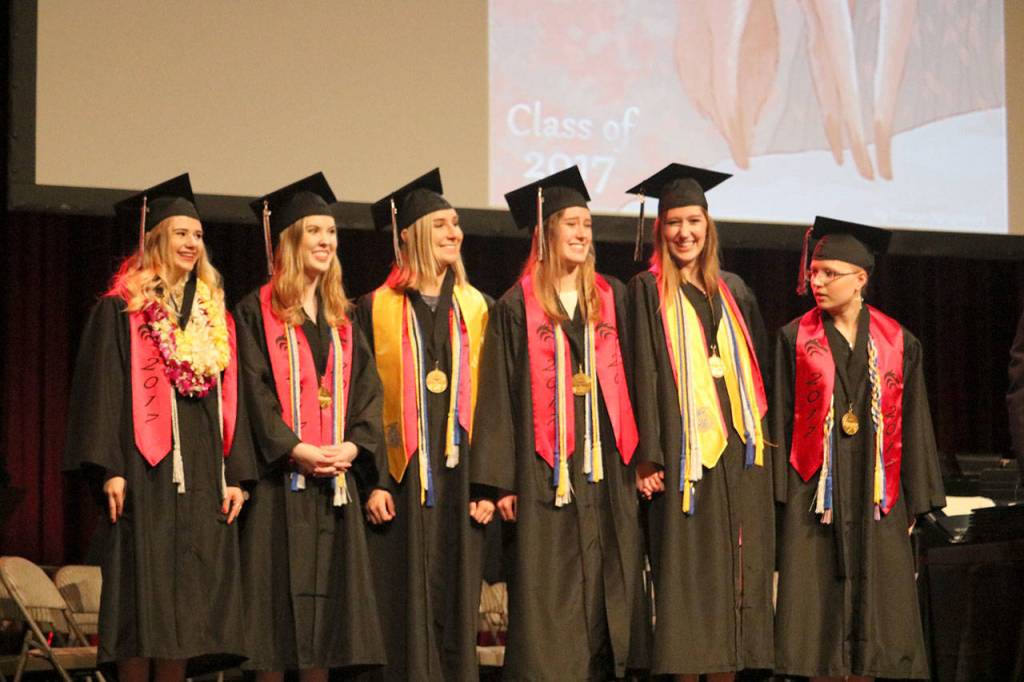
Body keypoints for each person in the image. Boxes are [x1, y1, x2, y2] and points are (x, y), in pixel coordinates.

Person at [63, 174, 255, 681]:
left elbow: (235, 399)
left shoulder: (215, 317)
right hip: (143, 474)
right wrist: (109, 468)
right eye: (180, 234)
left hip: (203, 477)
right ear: (154, 240)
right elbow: (102, 391)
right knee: (139, 600)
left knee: (189, 606)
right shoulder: (122, 311)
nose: (192, 243)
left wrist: (235, 474)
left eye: (198, 235)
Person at [469, 166, 648, 680]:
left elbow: (638, 378)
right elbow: (498, 397)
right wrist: (500, 482)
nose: (582, 233)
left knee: (610, 590)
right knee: (550, 597)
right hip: (544, 472)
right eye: (571, 223)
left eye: (587, 225)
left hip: (608, 468)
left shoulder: (612, 297)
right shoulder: (515, 307)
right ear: (546, 233)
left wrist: (645, 457)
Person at [772, 216, 945, 681]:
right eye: (814, 272)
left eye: (829, 273)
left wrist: (915, 499)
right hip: (816, 500)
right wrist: (780, 499)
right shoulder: (794, 338)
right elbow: (782, 420)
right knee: (818, 632)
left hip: (876, 497)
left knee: (875, 626)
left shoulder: (898, 342)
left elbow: (915, 422)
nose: (817, 282)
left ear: (860, 278)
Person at [233, 173, 385, 681]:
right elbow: (252, 392)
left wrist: (353, 446)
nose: (326, 241)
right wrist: (294, 447)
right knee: (274, 627)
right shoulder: (256, 311)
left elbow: (368, 391)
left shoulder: (344, 317)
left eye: (332, 232)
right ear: (290, 242)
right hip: (280, 486)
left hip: (334, 486)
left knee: (327, 628)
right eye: (314, 231)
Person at [627, 164, 774, 680]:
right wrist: (649, 454)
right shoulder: (645, 291)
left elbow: (757, 374)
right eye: (674, 222)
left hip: (737, 459)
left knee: (735, 581)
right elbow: (641, 374)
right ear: (660, 229)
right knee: (687, 587)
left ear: (708, 226)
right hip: (683, 458)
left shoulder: (734, 291)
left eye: (693, 221)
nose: (684, 232)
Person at [355, 168, 490, 681]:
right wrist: (374, 481)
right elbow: (363, 402)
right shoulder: (374, 309)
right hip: (399, 478)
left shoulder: (478, 308)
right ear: (410, 236)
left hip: (462, 479)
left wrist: (487, 485)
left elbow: (495, 405)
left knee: (457, 598)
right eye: (441, 225)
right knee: (398, 601)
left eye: (456, 224)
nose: (455, 233)